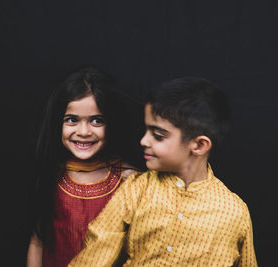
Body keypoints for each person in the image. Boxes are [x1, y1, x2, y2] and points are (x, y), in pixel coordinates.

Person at [68, 77, 257, 266]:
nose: (144, 141)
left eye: (158, 136)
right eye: (146, 131)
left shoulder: (233, 212)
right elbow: (98, 250)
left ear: (199, 145)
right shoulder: (137, 189)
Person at [26, 65, 145, 267]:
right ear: (58, 123)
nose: (83, 131)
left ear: (112, 123)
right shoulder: (51, 176)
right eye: (72, 120)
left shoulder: (130, 180)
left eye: (97, 121)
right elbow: (39, 240)